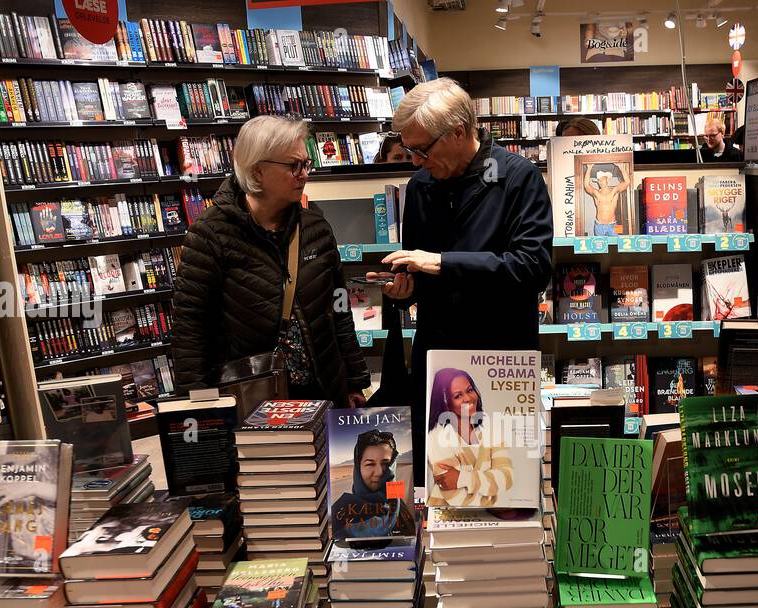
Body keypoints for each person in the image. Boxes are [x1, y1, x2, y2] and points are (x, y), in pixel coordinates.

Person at [364, 78, 553, 464]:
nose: (415, 160)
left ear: (459, 132)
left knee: (508, 475)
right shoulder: (420, 186)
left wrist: (443, 263)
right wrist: (405, 290)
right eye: (410, 150)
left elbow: (532, 267)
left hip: (503, 359)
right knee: (442, 477)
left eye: (422, 149)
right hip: (440, 362)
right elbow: (420, 274)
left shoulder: (518, 178)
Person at [171, 115, 369, 407]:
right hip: (254, 400)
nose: (304, 174)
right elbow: (190, 328)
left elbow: (339, 308)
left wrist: (354, 380)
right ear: (257, 170)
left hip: (323, 392)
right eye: (293, 166)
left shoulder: (316, 228)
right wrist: (199, 405)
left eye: (306, 164)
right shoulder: (210, 234)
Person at [426, 367, 515, 507]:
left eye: (469, 390)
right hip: (447, 516)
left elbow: (507, 478)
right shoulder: (437, 438)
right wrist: (489, 491)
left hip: (486, 516)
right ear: (446, 403)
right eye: (458, 396)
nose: (468, 398)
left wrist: (463, 478)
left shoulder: (491, 427)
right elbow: (458, 499)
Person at [329, 427, 417, 541]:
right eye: (370, 464)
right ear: (358, 468)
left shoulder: (402, 508)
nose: (379, 472)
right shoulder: (339, 513)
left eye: (386, 464)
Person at [582, 161, 631, 237]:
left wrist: (621, 167)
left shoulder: (614, 191)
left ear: (607, 180)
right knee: (599, 244)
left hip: (613, 225)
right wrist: (589, 168)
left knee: (615, 243)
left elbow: (627, 182)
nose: (600, 181)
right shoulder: (596, 193)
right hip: (599, 225)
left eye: (602, 179)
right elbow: (586, 185)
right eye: (598, 180)